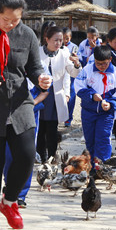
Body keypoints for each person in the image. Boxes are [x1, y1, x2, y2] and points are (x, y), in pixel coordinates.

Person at [0, 0, 51, 230]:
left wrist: (41, 78)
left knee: (28, 155)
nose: (10, 24)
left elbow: (34, 67)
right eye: (5, 19)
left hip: (20, 103)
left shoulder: (27, 34)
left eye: (15, 20)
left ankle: (9, 201)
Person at [36, 26, 81, 162]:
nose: (58, 43)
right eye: (55, 40)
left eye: (60, 40)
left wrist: (77, 64)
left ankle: (51, 155)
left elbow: (72, 73)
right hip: (39, 94)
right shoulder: (37, 52)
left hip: (55, 97)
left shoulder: (64, 53)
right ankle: (40, 155)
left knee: (52, 128)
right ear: (47, 39)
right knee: (40, 126)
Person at [74, 45, 116, 161]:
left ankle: (102, 167)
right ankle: (90, 167)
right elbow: (78, 87)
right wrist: (91, 96)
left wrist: (111, 104)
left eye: (105, 63)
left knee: (103, 139)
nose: (101, 66)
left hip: (106, 114)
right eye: (98, 63)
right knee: (90, 139)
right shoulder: (87, 71)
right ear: (94, 60)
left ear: (110, 60)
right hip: (88, 111)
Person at [4, 81, 48, 208]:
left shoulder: (38, 66)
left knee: (26, 155)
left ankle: (21, 194)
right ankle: (9, 188)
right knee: (8, 155)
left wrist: (31, 103)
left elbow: (45, 91)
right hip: (9, 111)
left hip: (30, 114)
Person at [63, 27, 79, 127]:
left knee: (71, 95)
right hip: (62, 73)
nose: (65, 41)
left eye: (67, 38)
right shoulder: (58, 46)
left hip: (72, 74)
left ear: (70, 38)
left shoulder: (74, 47)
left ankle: (69, 118)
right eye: (63, 38)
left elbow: (78, 59)